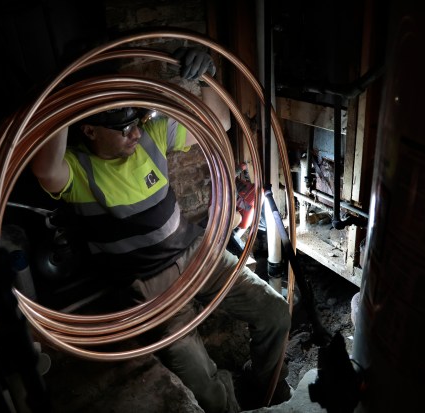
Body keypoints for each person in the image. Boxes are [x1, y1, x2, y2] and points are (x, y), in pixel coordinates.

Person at [30, 46, 292, 413]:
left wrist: (204, 78)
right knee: (201, 380)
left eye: (137, 121)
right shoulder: (76, 171)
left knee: (275, 312)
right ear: (89, 129)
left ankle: (262, 386)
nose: (135, 133)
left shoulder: (151, 134)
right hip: (148, 289)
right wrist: (63, 98)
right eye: (123, 128)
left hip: (198, 255)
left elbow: (220, 122)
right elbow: (45, 169)